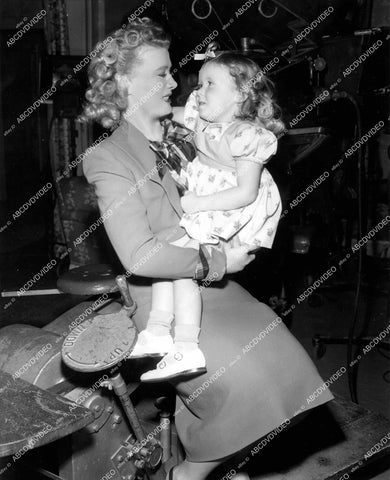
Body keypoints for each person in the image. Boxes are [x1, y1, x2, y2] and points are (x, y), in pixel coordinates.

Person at [82, 18, 334, 480]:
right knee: (247, 381)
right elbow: (141, 257)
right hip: (160, 295)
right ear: (124, 82)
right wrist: (220, 261)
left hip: (209, 284)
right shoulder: (109, 158)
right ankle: (193, 471)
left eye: (172, 72)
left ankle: (225, 457)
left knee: (287, 365)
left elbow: (236, 130)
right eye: (160, 74)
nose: (175, 82)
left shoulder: (184, 128)